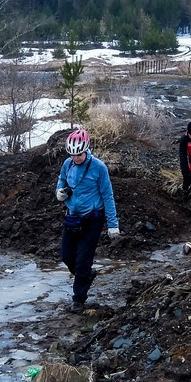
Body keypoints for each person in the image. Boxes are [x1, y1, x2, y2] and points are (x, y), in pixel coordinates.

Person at [55, 129, 119, 309]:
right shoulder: (67, 164)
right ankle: (86, 275)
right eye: (73, 155)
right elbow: (62, 181)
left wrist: (113, 224)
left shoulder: (99, 168)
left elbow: (108, 196)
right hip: (72, 218)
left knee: (83, 260)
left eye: (79, 155)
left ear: (87, 150)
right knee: (67, 256)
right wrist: (59, 192)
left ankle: (78, 299)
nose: (76, 158)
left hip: (92, 220)